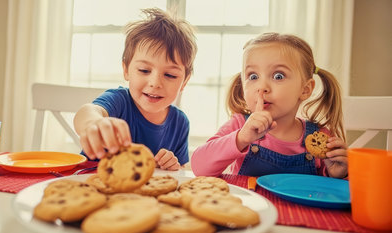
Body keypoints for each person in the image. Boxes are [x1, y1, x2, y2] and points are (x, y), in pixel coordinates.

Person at [191, 32, 348, 178]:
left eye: (278, 76)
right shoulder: (239, 125)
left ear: (305, 89)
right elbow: (199, 167)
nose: (262, 87)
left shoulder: (321, 137)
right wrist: (241, 138)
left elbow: (337, 195)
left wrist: (337, 174)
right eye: (253, 76)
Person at [73, 8, 197, 171]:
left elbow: (178, 173)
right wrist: (92, 123)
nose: (155, 83)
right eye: (144, 71)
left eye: (170, 75)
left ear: (184, 81)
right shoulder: (119, 101)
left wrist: (171, 164)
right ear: (126, 70)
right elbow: (87, 111)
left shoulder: (180, 123)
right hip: (92, 184)